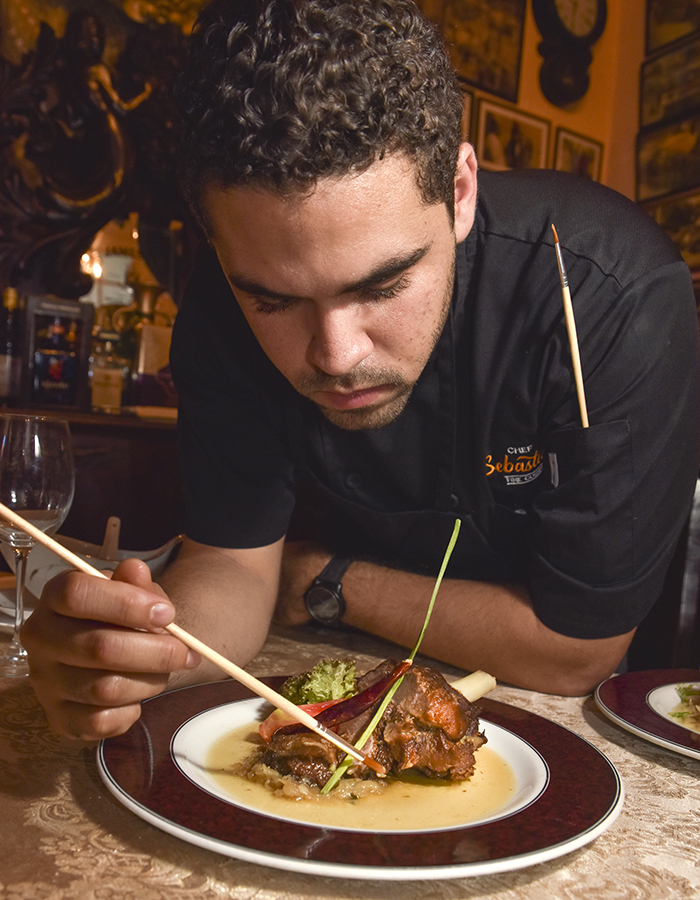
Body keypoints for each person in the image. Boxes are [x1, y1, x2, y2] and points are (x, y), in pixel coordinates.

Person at [22, 0, 700, 741]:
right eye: (274, 302)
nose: (336, 356)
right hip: (323, 682)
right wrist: (144, 652)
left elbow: (576, 651)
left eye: (383, 287)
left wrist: (325, 579)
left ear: (460, 191)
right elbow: (234, 568)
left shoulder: (612, 293)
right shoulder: (223, 293)